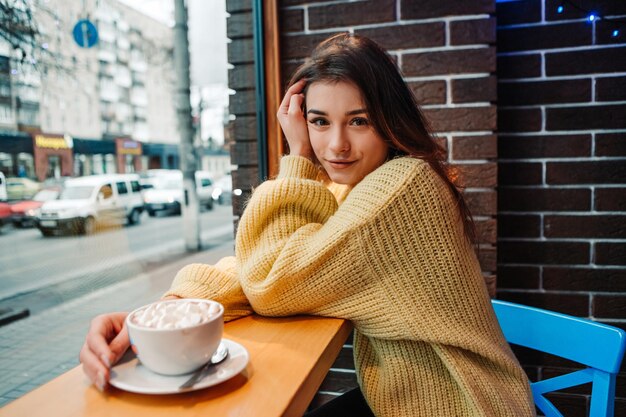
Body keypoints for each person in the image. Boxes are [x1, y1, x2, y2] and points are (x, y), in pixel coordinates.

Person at [80, 33, 535, 417]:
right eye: (318, 122)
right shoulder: (354, 187)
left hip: (461, 404)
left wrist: (298, 157)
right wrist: (166, 313)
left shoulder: (401, 188)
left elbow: (270, 281)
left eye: (359, 121)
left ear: (389, 120)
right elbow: (260, 264)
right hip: (405, 398)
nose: (336, 145)